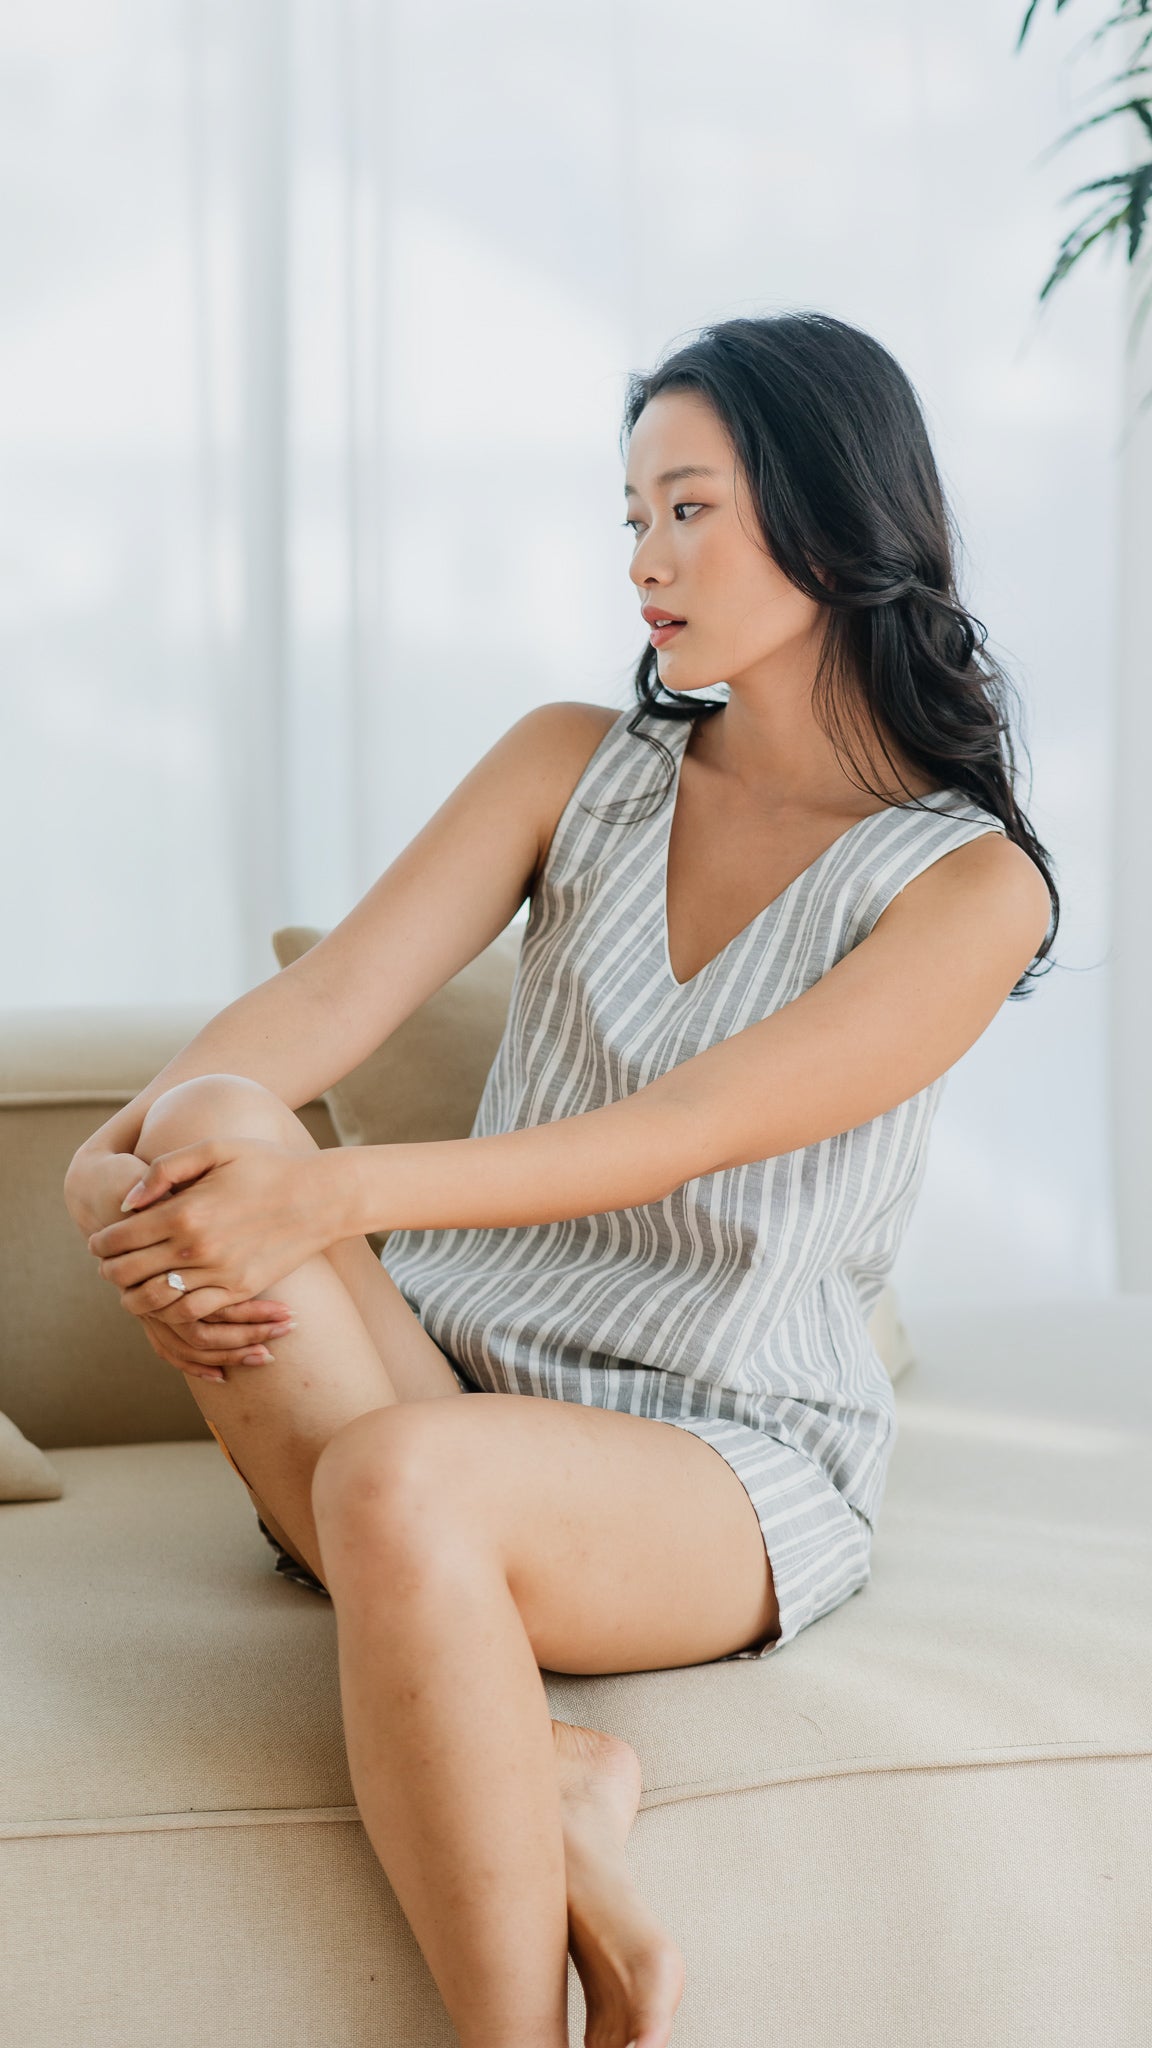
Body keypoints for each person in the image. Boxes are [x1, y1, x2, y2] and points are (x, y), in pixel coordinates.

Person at [65, 310, 1057, 2048]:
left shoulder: (971, 890)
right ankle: (551, 1765)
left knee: (397, 1480)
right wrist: (120, 1151)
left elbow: (686, 1129)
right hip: (437, 1377)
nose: (645, 560)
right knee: (220, 1120)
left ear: (833, 521)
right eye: (632, 515)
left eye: (690, 509)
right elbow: (327, 1002)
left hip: (721, 1457)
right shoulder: (570, 763)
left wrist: (339, 1199)